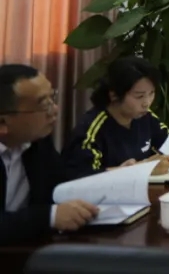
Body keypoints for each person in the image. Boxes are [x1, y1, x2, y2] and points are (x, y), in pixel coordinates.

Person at [0, 64, 99, 244]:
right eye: (44, 105)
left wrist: (111, 175)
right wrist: (49, 217)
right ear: (3, 123)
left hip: (29, 247)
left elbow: (61, 183)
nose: (55, 110)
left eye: (52, 98)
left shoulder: (37, 140)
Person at [61, 56, 169, 178]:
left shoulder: (146, 116)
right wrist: (139, 169)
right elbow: (80, 176)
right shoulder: (91, 130)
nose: (146, 103)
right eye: (139, 96)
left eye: (151, 93)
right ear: (114, 95)